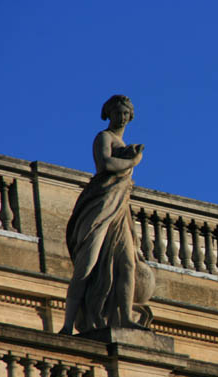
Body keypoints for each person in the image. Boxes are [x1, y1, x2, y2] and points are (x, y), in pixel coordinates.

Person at [60, 95, 153, 334]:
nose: (121, 117)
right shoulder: (104, 137)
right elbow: (106, 165)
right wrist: (134, 160)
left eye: (125, 113)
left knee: (127, 264)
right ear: (108, 114)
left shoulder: (123, 144)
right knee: (87, 264)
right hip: (99, 205)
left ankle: (124, 316)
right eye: (118, 112)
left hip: (120, 209)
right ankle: (68, 324)